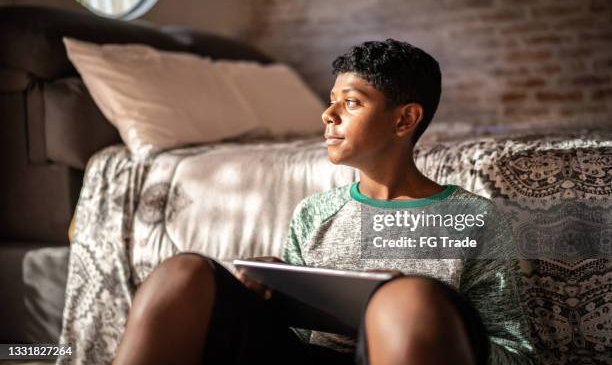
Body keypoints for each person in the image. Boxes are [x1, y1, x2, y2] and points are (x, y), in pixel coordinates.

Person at [113, 39, 535, 365]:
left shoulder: (472, 219)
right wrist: (273, 294)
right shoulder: (314, 214)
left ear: (404, 119)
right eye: (332, 100)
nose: (328, 114)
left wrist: (407, 303)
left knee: (404, 300)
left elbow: (516, 353)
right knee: (182, 274)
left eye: (351, 102)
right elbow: (290, 343)